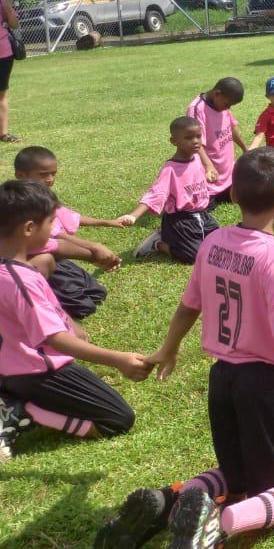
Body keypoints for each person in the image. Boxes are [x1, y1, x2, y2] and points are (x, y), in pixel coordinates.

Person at [95, 148, 274, 549]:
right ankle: (222, 523)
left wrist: (169, 348)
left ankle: (168, 501)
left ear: (231, 193)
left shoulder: (212, 242)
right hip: (269, 387)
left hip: (223, 379)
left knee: (241, 473)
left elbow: (189, 303)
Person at [0, 181, 148, 462]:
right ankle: (25, 409)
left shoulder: (14, 270)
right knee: (118, 419)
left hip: (11, 366)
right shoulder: (21, 279)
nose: (55, 228)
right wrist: (118, 359)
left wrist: (68, 322)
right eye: (51, 222)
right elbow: (54, 339)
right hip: (34, 370)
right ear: (29, 228)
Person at [14, 147, 121, 320]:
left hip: (58, 257)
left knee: (96, 293)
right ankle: (36, 301)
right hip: (35, 260)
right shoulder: (20, 205)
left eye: (53, 174)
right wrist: (94, 250)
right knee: (83, 307)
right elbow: (54, 240)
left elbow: (68, 217)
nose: (50, 180)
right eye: (43, 174)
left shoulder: (43, 196)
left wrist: (105, 222)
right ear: (21, 175)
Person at [119, 116, 218, 264]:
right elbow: (155, 194)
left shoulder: (196, 158)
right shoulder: (170, 169)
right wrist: (133, 215)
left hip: (202, 214)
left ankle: (176, 238)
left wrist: (208, 171)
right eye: (188, 138)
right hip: (180, 220)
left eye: (198, 136)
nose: (196, 141)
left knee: (218, 247)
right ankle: (159, 243)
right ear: (174, 141)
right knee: (194, 256)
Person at [188, 76, 247, 208]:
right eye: (227, 104)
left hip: (228, 177)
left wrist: (244, 148)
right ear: (217, 94)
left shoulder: (223, 107)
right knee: (200, 209)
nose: (228, 107)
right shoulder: (197, 109)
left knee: (248, 194)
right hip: (210, 179)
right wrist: (208, 165)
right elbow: (195, 143)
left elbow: (231, 128)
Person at [0, 0, 17, 142]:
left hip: (3, 54)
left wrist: (7, 7)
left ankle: (4, 134)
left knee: (1, 94)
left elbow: (14, 24)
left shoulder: (2, 0)